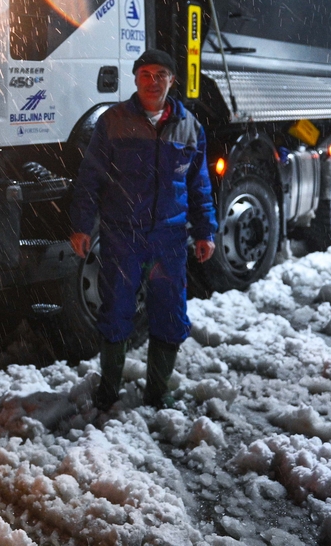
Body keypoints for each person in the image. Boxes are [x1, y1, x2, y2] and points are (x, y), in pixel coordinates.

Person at [69, 48, 218, 410]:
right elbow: (90, 178)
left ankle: (157, 391)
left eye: (161, 75)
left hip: (169, 238)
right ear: (135, 79)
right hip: (122, 235)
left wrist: (205, 230)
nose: (153, 82)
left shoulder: (189, 126)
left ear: (172, 81)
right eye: (146, 74)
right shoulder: (114, 122)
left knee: (169, 313)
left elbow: (199, 185)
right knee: (116, 310)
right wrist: (81, 225)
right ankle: (108, 390)